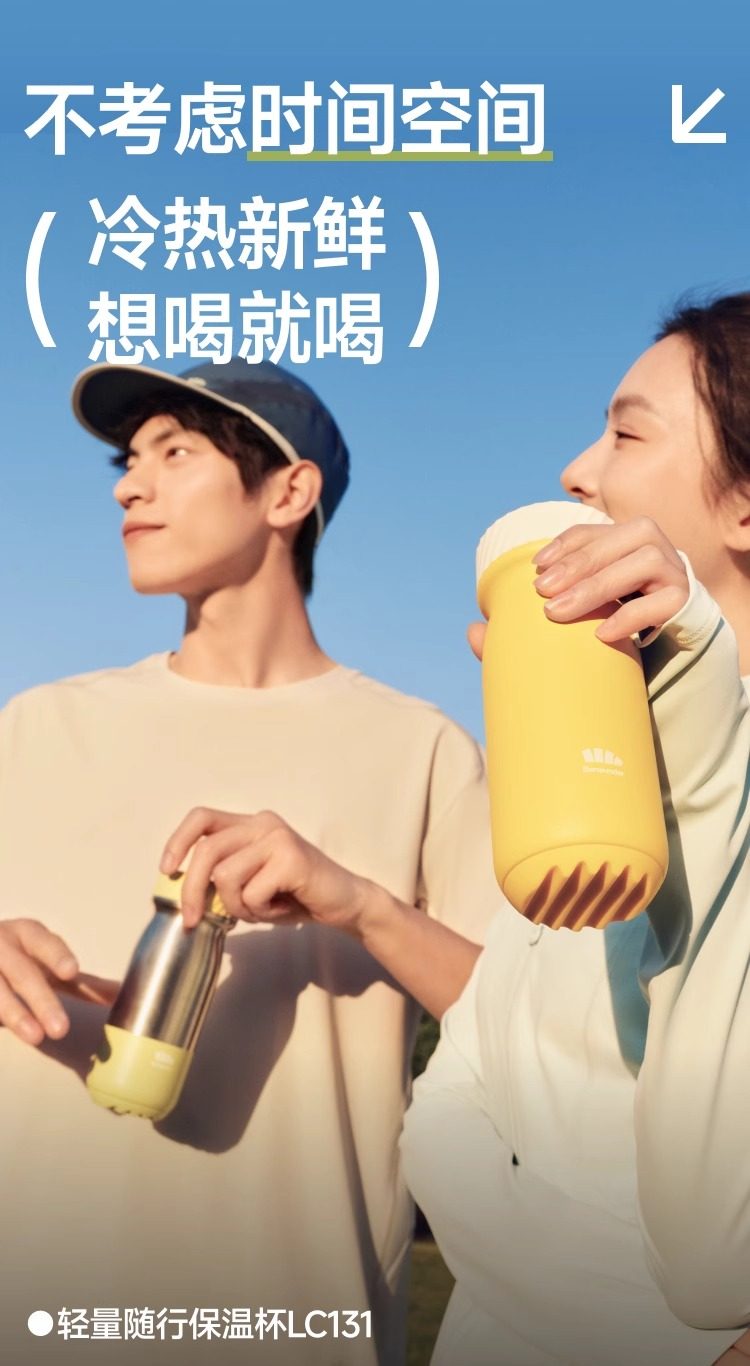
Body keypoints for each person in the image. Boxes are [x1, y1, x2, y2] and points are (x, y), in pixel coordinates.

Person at [0, 359, 499, 1366]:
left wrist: (359, 904)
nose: (129, 487)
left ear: (288, 492)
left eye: (175, 453)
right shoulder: (36, 728)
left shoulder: (423, 749)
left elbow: (530, 1028)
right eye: (129, 461)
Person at [396, 292, 750, 1364]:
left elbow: (713, 1260)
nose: (576, 470)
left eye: (628, 435)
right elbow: (442, 1115)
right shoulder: (587, 787)